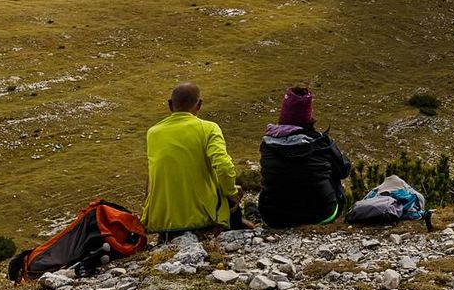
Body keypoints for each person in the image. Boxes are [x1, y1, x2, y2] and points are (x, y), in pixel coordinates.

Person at [144, 82, 240, 237]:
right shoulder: (209, 128)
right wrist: (232, 192)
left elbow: (150, 179)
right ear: (199, 105)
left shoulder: (152, 133)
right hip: (201, 220)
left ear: (170, 105)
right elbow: (223, 166)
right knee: (230, 192)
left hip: (162, 224)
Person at [258, 87, 352, 228]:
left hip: (274, 218)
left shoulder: (267, 145)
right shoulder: (321, 143)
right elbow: (344, 170)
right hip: (322, 214)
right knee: (334, 174)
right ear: (308, 116)